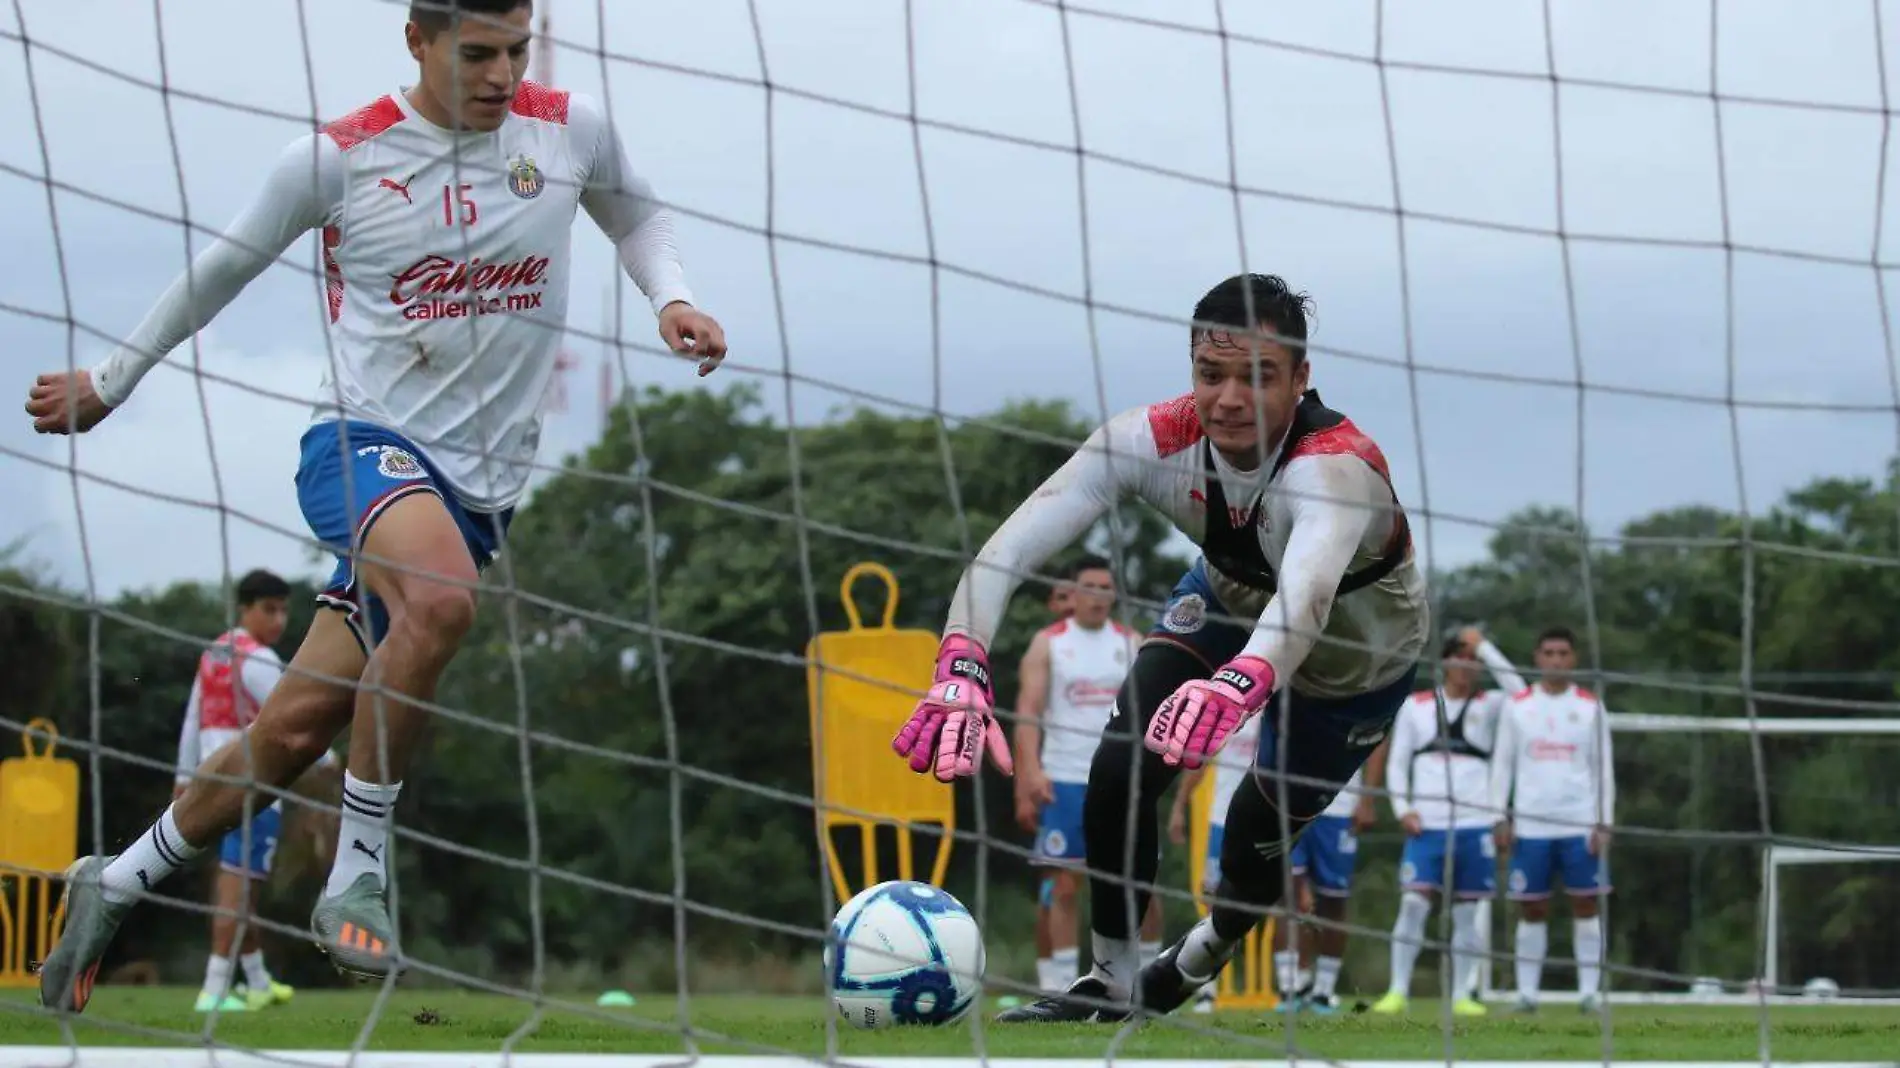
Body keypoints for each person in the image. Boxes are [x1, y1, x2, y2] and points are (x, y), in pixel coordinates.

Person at [25, 0, 726, 1012]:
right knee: (442, 605)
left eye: (514, 51)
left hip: (477, 496)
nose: (499, 74)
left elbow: (639, 215)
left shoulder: (567, 130)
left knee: (299, 724)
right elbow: (217, 270)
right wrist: (110, 380)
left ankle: (119, 878)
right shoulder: (335, 159)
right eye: (476, 53)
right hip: (357, 449)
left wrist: (672, 297)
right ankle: (363, 864)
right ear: (419, 42)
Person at [889, 272, 1430, 1022]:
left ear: (1301, 378)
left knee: (1250, 842)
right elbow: (1007, 551)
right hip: (1225, 607)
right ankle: (1109, 984)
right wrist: (960, 661)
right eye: (1211, 375)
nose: (1229, 399)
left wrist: (1242, 682)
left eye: (1257, 377)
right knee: (1124, 761)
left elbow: (1304, 597)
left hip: (1353, 665)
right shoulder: (1148, 439)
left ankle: (1203, 953)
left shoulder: (1336, 467)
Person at [1012, 557, 1160, 994]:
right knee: (1062, 884)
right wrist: (1031, 771)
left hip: (1122, 781)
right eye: (1089, 587)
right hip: (1065, 777)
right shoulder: (1048, 644)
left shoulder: (1133, 644)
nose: (1098, 596)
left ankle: (1147, 983)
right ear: (1072, 594)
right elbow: (1027, 711)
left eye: (1105, 587)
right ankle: (1059, 986)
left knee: (1141, 882)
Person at [1371, 626, 1524, 1016]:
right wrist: (1402, 808)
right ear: (1444, 663)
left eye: (1473, 660)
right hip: (1427, 825)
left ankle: (1461, 996)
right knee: (1413, 904)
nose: (1466, 665)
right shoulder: (1417, 705)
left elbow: (1521, 692)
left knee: (1467, 912)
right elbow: (1398, 762)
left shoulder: (1491, 706)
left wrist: (1486, 646)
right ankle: (1397, 991)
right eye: (1460, 657)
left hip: (1475, 826)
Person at [173, 570, 300, 1012]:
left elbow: (194, 716)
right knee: (237, 883)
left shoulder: (215, 652)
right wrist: (328, 763)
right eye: (270, 609)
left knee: (236, 878)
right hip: (252, 783)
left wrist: (184, 776)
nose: (279, 619)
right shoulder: (261, 659)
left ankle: (259, 983)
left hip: (211, 779)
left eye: (284, 610)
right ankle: (214, 989)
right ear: (246, 609)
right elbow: (296, 718)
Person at [1491, 625, 1615, 1014]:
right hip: (1531, 825)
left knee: (1586, 904)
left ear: (1573, 659)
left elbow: (1603, 769)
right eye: (1549, 653)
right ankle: (1527, 994)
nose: (1556, 660)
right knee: (1532, 907)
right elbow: (1502, 765)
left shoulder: (1591, 707)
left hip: (1579, 822)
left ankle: (1589, 994)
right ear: (1537, 658)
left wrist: (1604, 821)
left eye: (1563, 653)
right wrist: (1499, 816)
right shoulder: (1518, 706)